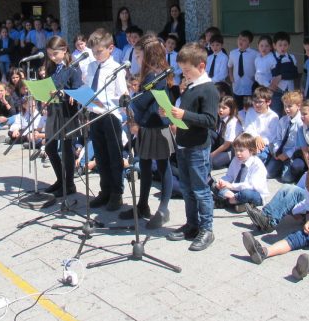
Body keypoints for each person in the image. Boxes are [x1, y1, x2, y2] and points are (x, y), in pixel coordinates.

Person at [166, 43, 219, 251]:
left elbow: (209, 120)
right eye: (182, 71)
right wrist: (170, 113)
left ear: (202, 66)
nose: (184, 74)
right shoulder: (190, 87)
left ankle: (207, 228)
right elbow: (184, 113)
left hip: (197, 146)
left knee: (200, 189)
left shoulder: (208, 89)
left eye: (187, 70)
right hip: (183, 143)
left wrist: (184, 115)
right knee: (187, 189)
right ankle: (192, 224)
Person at [121, 33, 175, 227]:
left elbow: (143, 102)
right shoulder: (148, 75)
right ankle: (142, 204)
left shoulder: (158, 75)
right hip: (145, 126)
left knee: (163, 167)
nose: (137, 59)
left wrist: (130, 101)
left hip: (157, 127)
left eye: (139, 55)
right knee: (143, 165)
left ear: (149, 55)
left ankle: (163, 208)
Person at [245, 142, 309, 233]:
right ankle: (265, 215)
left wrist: (295, 210)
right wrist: (290, 205)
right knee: (287, 188)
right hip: (308, 206)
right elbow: (296, 191)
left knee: (294, 191)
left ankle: (270, 222)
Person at [84, 29, 128, 211]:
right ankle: (105, 191)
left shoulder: (116, 68)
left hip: (110, 116)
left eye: (99, 51)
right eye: (93, 52)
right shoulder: (91, 66)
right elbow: (88, 87)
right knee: (101, 155)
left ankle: (117, 193)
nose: (96, 55)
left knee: (114, 156)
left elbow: (122, 92)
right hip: (94, 114)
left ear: (110, 48)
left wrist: (124, 98)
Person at [42, 36, 82, 198]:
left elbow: (77, 88)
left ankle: (69, 183)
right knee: (49, 147)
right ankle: (61, 180)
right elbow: (48, 84)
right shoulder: (52, 66)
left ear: (64, 50)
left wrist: (67, 93)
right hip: (53, 110)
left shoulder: (73, 67)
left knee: (67, 149)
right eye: (49, 54)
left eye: (55, 54)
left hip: (67, 112)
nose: (52, 57)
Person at [212, 132, 269, 210]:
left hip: (254, 194)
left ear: (251, 150)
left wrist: (231, 186)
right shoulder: (236, 160)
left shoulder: (257, 165)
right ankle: (238, 203)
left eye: (241, 150)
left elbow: (252, 186)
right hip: (236, 191)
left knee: (246, 193)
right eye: (236, 150)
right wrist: (222, 182)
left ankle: (226, 202)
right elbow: (230, 176)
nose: (238, 153)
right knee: (214, 184)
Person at [270, 89, 304, 182]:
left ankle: (294, 171)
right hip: (281, 152)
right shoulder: (283, 120)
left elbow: (300, 145)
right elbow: (278, 139)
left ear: (298, 106)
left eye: (290, 106)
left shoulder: (301, 123)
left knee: (286, 179)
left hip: (293, 154)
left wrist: (287, 155)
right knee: (268, 174)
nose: (287, 109)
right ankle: (280, 166)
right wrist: (276, 150)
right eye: (285, 106)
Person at [269, 31, 299, 116]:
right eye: (280, 45)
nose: (283, 47)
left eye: (285, 45)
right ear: (274, 46)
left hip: (289, 91)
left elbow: (294, 74)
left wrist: (281, 76)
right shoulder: (270, 58)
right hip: (276, 91)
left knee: (290, 114)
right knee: (275, 114)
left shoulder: (291, 58)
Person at [228, 30, 258, 110]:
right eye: (240, 39)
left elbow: (259, 67)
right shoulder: (233, 53)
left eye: (244, 40)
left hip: (249, 86)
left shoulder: (255, 54)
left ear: (249, 42)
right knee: (238, 109)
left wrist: (255, 77)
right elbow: (230, 66)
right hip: (237, 86)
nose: (241, 42)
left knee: (249, 109)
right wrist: (231, 77)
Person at [210, 95, 242, 169]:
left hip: (231, 150)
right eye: (219, 107)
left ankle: (226, 163)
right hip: (221, 142)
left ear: (231, 109)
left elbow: (227, 144)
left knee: (213, 162)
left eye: (224, 108)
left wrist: (213, 154)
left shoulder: (232, 122)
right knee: (210, 133)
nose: (220, 110)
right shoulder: (221, 118)